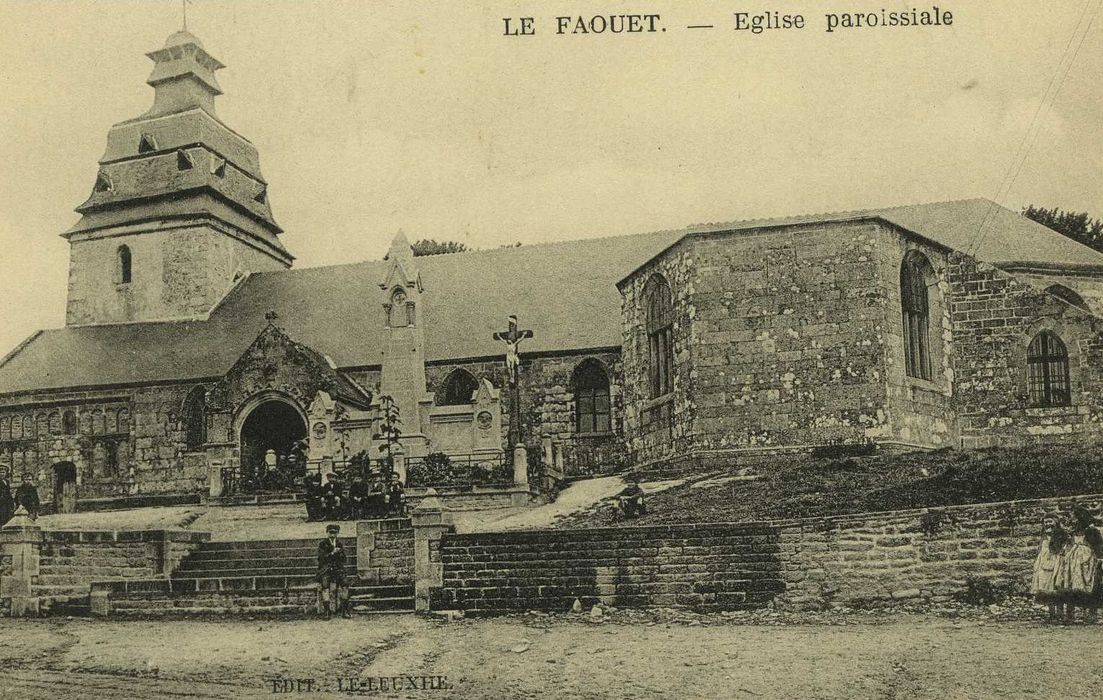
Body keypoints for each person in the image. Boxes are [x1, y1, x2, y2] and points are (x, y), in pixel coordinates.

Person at [1056, 506, 1103, 623]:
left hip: (1087, 562)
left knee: (1089, 585)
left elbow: (1098, 547)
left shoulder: (1091, 531)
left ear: (1080, 518)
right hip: (1072, 563)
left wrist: (1099, 560)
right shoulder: (1072, 532)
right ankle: (1070, 615)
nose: (1071, 520)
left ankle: (1091, 614)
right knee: (1070, 585)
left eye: (1073, 517)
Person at [1031, 514, 1070, 621]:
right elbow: (1040, 548)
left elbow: (1063, 547)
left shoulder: (1061, 533)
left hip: (1056, 560)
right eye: (1046, 522)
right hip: (1043, 562)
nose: (1048, 524)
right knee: (1046, 587)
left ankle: (1060, 613)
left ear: (1056, 522)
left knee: (1057, 586)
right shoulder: (1043, 535)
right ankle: (1051, 613)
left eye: (1050, 521)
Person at [317, 524, 351, 619]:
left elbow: (344, 559)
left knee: (345, 584)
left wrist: (339, 554)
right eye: (330, 533)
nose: (332, 535)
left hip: (338, 569)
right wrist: (332, 553)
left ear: (337, 533)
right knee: (325, 586)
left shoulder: (339, 544)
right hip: (326, 569)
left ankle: (345, 610)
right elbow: (321, 558)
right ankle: (327, 611)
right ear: (327, 533)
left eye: (334, 533)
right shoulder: (322, 544)